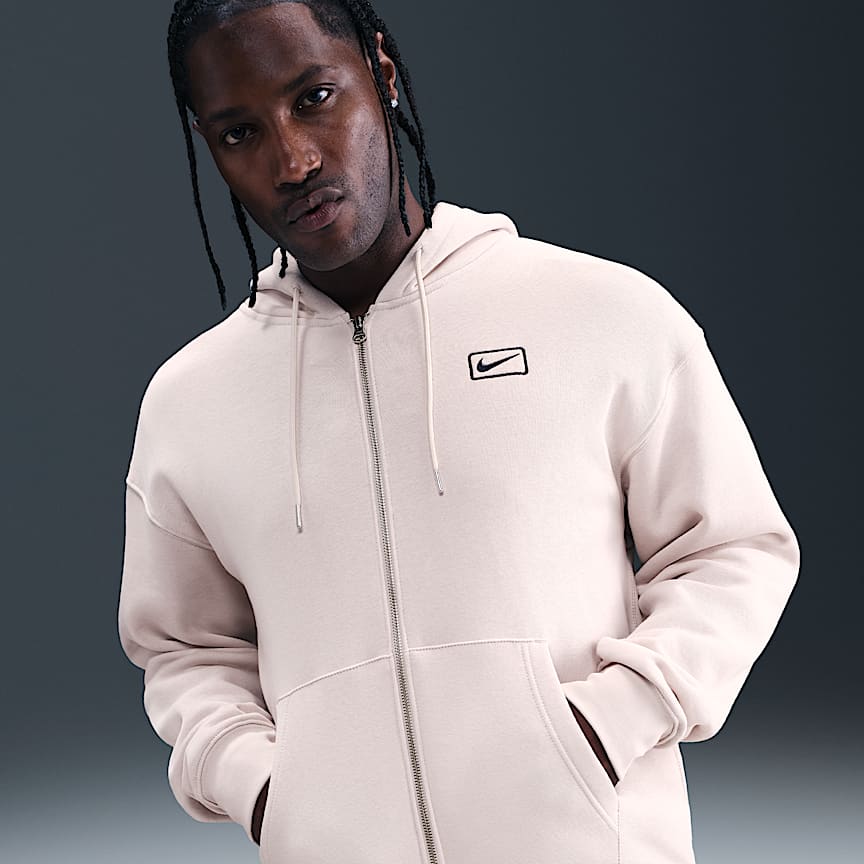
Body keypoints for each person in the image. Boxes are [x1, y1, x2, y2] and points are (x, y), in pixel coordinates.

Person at [116, 1, 801, 862]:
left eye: (315, 97)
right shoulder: (190, 403)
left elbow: (733, 550)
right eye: (240, 133)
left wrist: (606, 725)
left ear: (381, 73)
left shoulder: (601, 314)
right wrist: (263, 791)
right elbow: (184, 648)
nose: (293, 160)